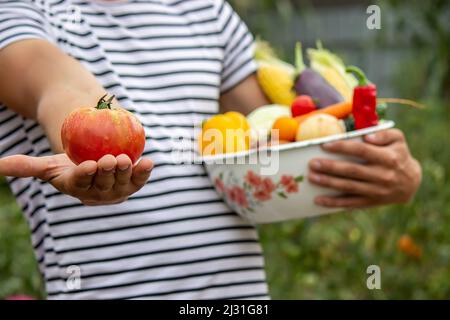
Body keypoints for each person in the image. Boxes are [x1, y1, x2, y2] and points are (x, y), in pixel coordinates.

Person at [0, 0, 421, 299]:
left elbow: (277, 142)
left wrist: (386, 170)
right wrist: (94, 133)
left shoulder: (205, 9)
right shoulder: (19, 11)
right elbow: (59, 85)